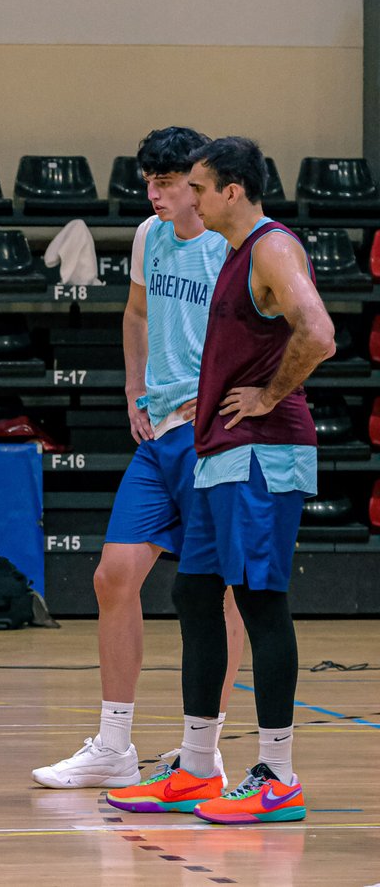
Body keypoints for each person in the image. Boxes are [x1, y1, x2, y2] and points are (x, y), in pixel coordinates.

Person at [109, 136, 333, 824]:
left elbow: (319, 332)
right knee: (195, 590)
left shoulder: (270, 246)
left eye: (199, 187)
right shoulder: (236, 254)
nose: (191, 199)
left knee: (260, 601)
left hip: (262, 450)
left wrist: (268, 394)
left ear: (231, 190)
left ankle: (278, 774)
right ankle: (198, 764)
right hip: (219, 448)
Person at [33, 127, 245, 790]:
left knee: (221, 595)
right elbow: (134, 312)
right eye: (147, 182)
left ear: (198, 183)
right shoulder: (152, 237)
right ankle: (114, 745)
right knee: (112, 575)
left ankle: (204, 749)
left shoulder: (233, 247)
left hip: (215, 435)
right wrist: (134, 387)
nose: (152, 194)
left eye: (165, 182)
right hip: (161, 436)